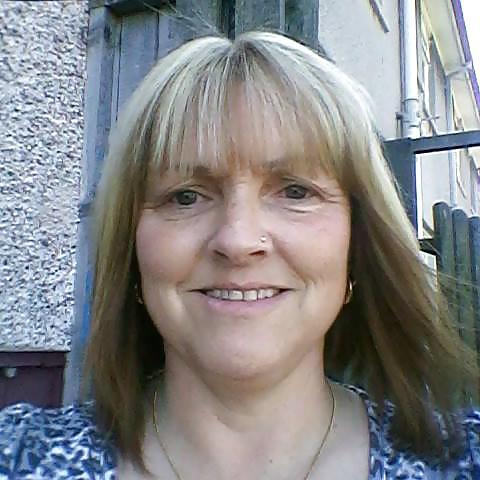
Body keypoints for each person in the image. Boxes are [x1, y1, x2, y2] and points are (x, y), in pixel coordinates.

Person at [0, 30, 479, 480]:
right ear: (132, 250)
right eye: (186, 196)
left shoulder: (460, 461)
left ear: (358, 245)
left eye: (295, 191)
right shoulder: (22, 459)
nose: (237, 240)